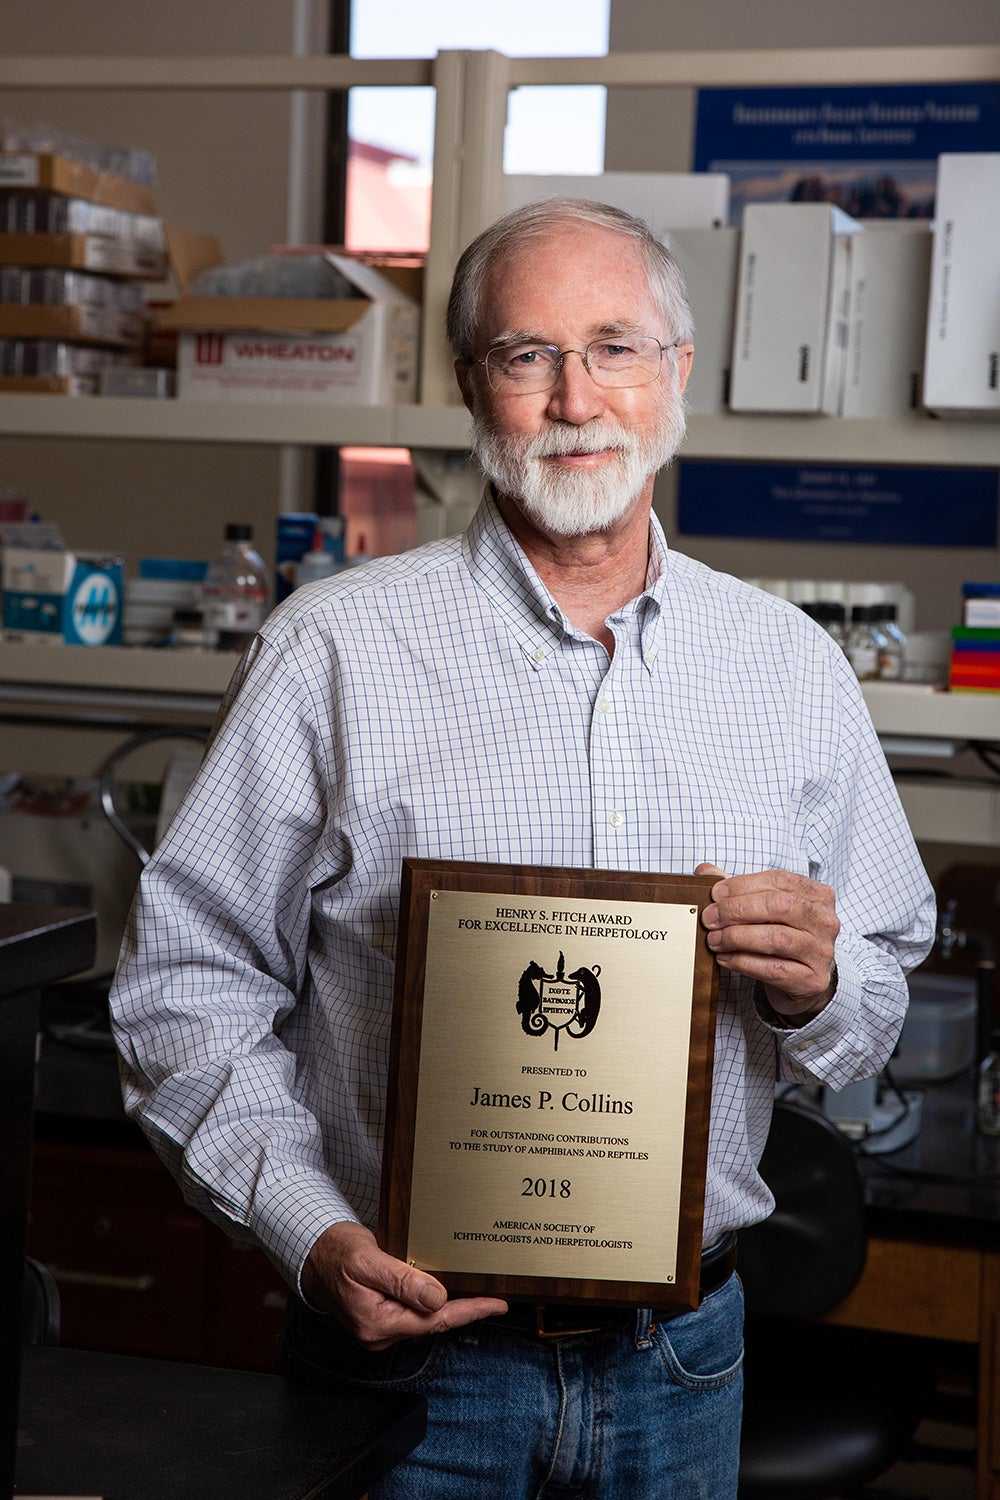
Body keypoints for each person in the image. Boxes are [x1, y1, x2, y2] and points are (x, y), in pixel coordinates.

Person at [111, 198, 935, 1499]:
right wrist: (305, 1229)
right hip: (405, 1362)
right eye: (525, 354)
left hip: (684, 1365)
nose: (573, 397)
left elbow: (880, 983)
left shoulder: (790, 671)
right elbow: (185, 985)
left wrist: (823, 985)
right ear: (469, 387)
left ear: (677, 376)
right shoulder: (331, 652)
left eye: (614, 346)